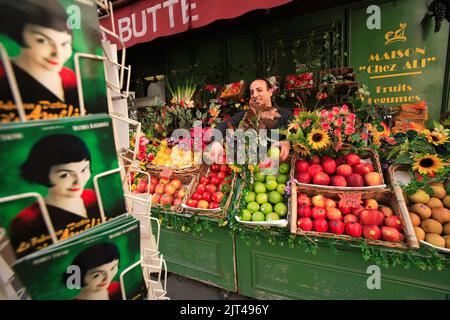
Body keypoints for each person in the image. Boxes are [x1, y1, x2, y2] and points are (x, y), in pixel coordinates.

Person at [9, 134, 100, 258]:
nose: (79, 181)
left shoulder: (91, 197)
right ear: (43, 174)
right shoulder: (27, 222)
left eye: (84, 170)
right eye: (65, 175)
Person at [0, 0, 79, 121]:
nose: (57, 54)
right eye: (42, 41)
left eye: (64, 43)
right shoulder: (3, 73)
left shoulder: (68, 77)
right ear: (19, 35)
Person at [209, 79, 294, 162]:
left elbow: (297, 135)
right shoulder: (245, 115)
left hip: (279, 167)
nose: (255, 95)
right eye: (252, 92)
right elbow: (221, 127)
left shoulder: (286, 115)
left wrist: (288, 141)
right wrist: (216, 141)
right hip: (251, 169)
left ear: (270, 92)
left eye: (259, 90)